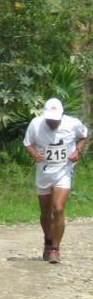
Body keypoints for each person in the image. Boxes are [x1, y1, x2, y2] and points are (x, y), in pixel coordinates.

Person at [22, 98, 88, 263]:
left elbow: (84, 136)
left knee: (58, 208)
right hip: (44, 172)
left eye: (56, 119)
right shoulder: (36, 124)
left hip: (63, 171)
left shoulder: (73, 123)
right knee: (45, 212)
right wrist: (34, 154)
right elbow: (28, 143)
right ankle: (48, 241)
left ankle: (55, 249)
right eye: (50, 119)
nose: (53, 123)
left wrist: (77, 151)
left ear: (61, 115)